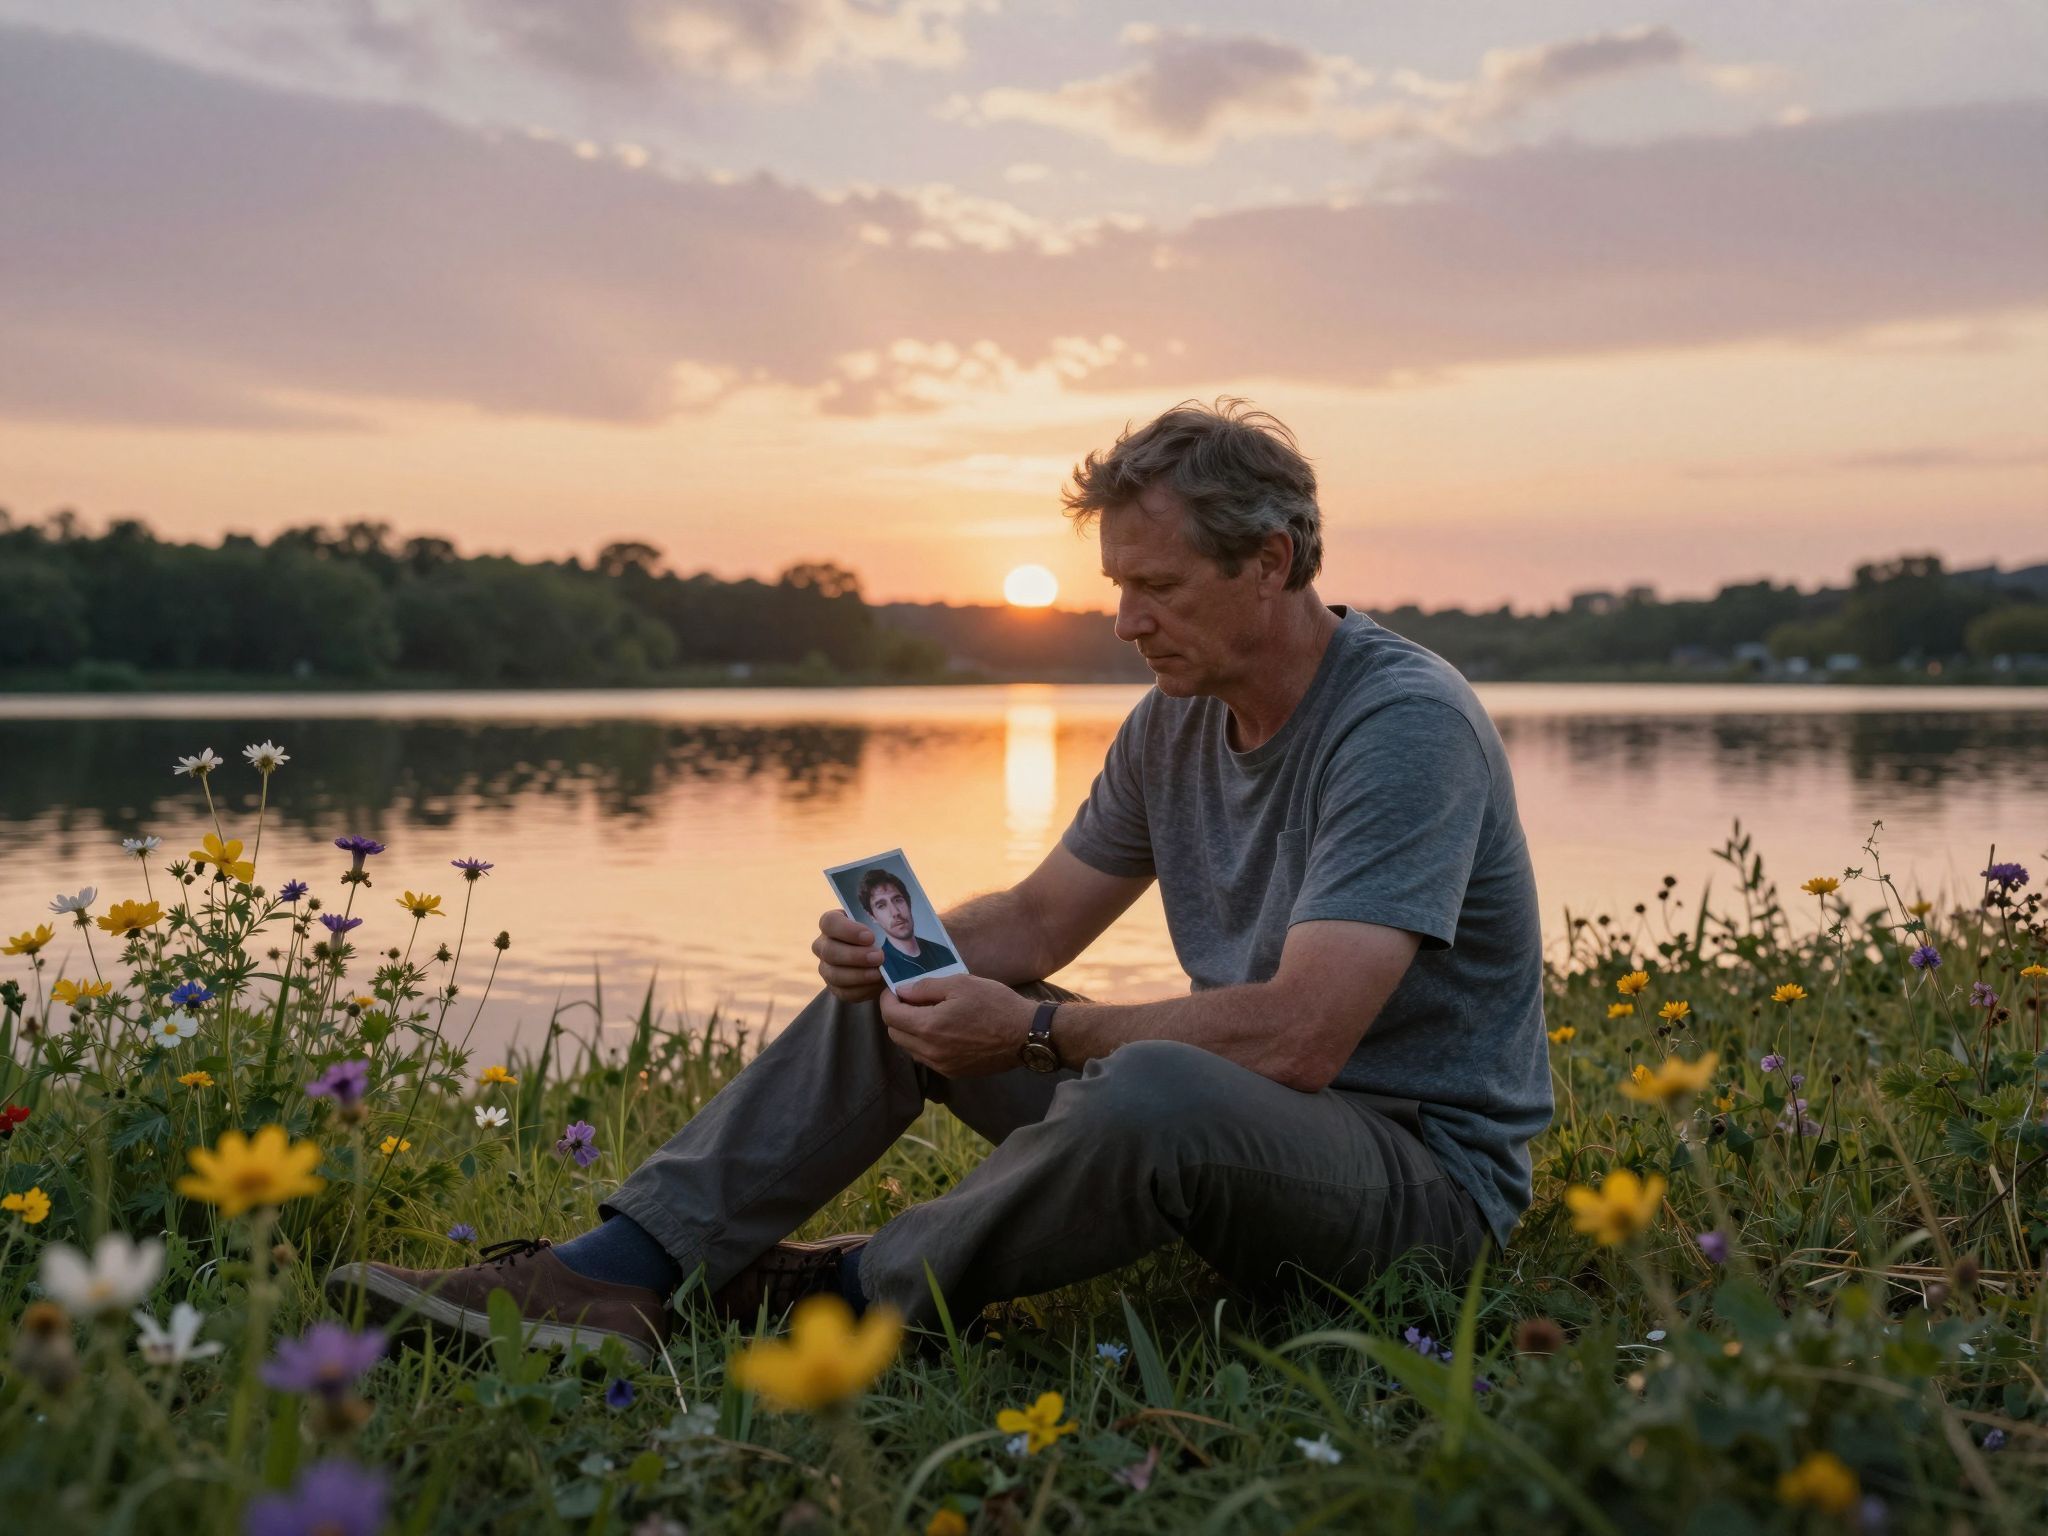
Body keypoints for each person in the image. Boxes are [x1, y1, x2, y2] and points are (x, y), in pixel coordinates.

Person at [326, 398, 1551, 1366]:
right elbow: (1034, 918)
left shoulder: (1398, 726)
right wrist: (900, 946)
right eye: (1115, 585)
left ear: (1271, 562)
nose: (1125, 621)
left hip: (1416, 1190)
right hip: (1259, 1154)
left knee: (1151, 1090)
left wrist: (1027, 1035)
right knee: (920, 976)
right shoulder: (1172, 720)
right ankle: (619, 1270)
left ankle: (845, 1297)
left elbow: (1300, 1037)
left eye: (1159, 588)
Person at [855, 867, 960, 985]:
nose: (895, 912)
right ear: (872, 916)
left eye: (898, 900)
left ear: (909, 903)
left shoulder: (944, 953)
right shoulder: (881, 970)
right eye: (881, 906)